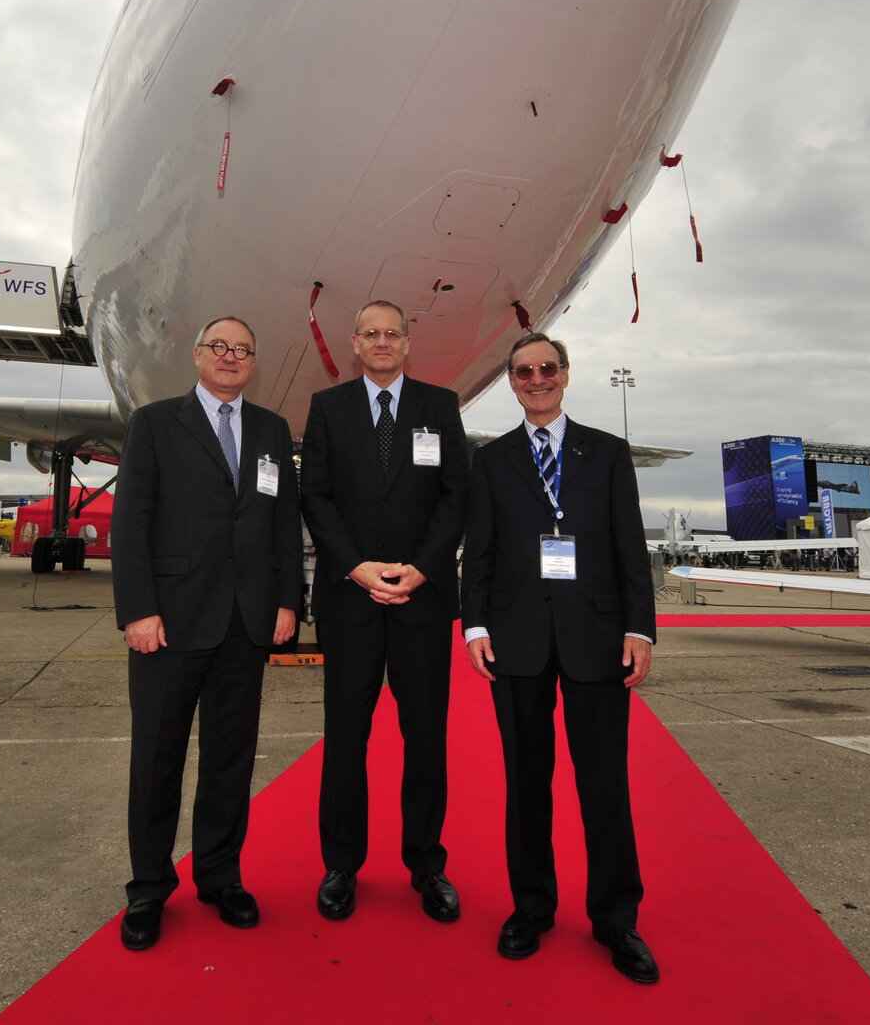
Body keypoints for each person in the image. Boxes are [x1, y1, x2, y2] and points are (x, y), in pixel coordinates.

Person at [462, 332, 659, 985]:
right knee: (527, 785)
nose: (537, 379)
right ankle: (532, 909)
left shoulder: (605, 453)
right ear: (512, 383)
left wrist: (640, 629)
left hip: (597, 639)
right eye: (524, 372)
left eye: (548, 368)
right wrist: (474, 626)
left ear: (566, 376)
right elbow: (480, 553)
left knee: (605, 785)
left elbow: (631, 547)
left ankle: (615, 918)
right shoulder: (491, 463)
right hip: (515, 642)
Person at [113, 316, 302, 951]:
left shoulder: (273, 430)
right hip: (168, 622)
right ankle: (148, 887)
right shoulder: (156, 424)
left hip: (245, 623)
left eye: (242, 350)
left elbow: (283, 525)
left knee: (230, 758)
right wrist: (138, 610)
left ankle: (220, 876)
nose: (230, 357)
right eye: (219, 347)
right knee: (157, 759)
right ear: (196, 355)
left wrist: (286, 602)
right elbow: (131, 524)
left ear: (252, 362)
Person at [300, 299, 469, 923]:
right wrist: (356, 566)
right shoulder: (329, 408)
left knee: (425, 740)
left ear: (407, 343)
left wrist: (422, 568)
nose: (380, 342)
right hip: (352, 600)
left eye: (391, 333)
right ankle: (341, 865)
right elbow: (314, 496)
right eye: (369, 333)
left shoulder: (439, 406)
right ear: (354, 343)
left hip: (421, 603)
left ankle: (427, 865)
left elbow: (456, 495)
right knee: (347, 739)